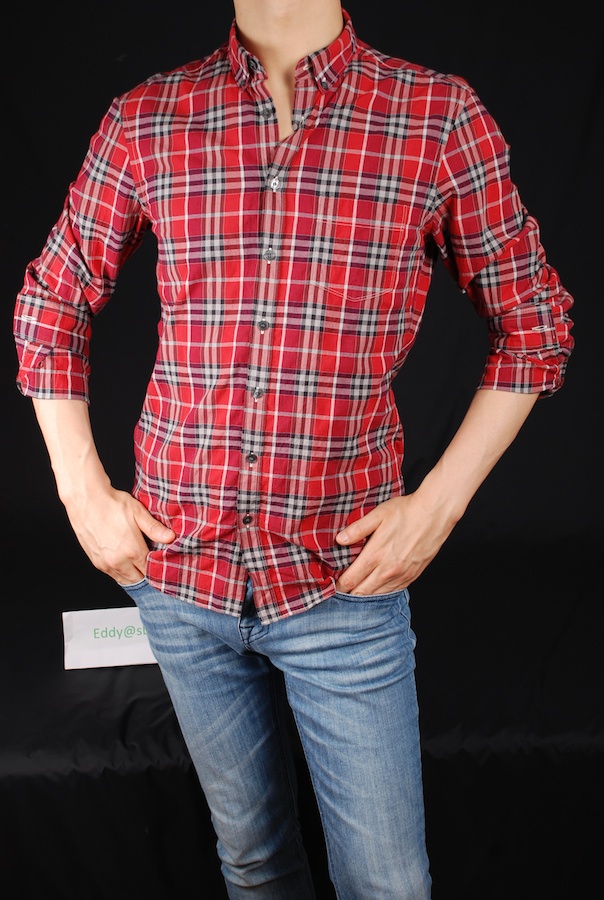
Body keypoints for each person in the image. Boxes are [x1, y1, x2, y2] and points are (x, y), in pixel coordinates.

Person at [13, 1, 574, 897]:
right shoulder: (148, 116)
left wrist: (439, 505)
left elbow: (534, 323)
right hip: (177, 577)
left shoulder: (435, 116)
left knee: (388, 885)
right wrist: (82, 491)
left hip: (340, 586)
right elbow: (53, 302)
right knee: (254, 863)